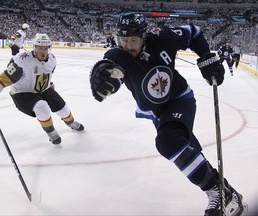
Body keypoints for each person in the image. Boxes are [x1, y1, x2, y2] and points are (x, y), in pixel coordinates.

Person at [89, 13, 247, 216]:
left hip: (180, 99)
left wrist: (206, 56)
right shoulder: (117, 56)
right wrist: (101, 79)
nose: (128, 46)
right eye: (124, 40)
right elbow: (111, 71)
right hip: (157, 113)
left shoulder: (162, 37)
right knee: (188, 151)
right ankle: (228, 194)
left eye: (134, 40)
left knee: (168, 142)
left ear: (144, 36)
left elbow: (194, 33)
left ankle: (214, 191)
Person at [0, 33, 84, 145]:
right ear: (34, 47)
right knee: (41, 107)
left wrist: (48, 83)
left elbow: (46, 73)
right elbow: (5, 77)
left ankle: (71, 122)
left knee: (62, 107)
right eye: (39, 48)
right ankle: (51, 132)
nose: (43, 51)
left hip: (43, 89)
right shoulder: (21, 61)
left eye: (45, 48)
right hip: (22, 93)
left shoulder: (52, 60)